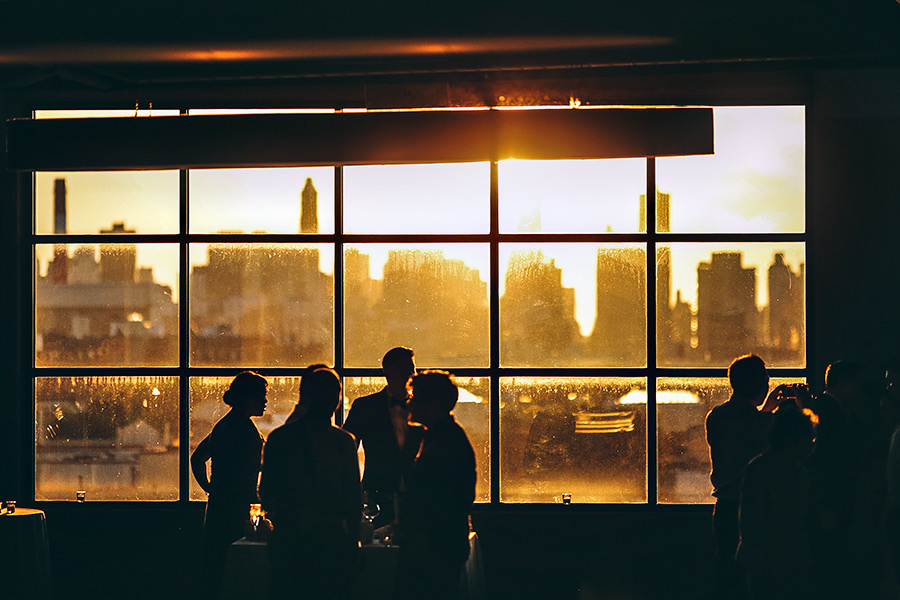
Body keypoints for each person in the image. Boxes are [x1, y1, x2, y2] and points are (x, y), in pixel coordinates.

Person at [259, 367, 361, 600]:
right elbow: (353, 497)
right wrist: (352, 541)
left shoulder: (280, 438)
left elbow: (267, 491)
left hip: (290, 539)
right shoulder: (344, 441)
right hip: (332, 540)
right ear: (337, 401)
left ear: (303, 397)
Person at [705, 354, 786, 599]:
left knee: (727, 568)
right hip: (755, 506)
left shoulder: (715, 415)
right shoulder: (765, 422)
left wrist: (766, 410)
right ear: (760, 385)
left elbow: (745, 434)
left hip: (724, 507)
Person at [395, 370, 476, 600]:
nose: (409, 403)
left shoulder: (444, 441)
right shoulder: (445, 437)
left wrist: (419, 534)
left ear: (434, 404)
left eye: (415, 397)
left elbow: (444, 498)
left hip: (433, 546)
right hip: (438, 543)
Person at [190, 371, 268, 600]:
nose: (265, 401)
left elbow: (197, 458)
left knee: (217, 568)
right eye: (261, 395)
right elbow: (255, 468)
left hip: (220, 506)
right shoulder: (244, 429)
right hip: (238, 508)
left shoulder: (224, 425)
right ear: (248, 397)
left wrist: (210, 488)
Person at [738, 403, 818, 600]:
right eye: (808, 440)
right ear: (790, 441)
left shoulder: (761, 469)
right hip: (771, 560)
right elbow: (752, 525)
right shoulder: (793, 473)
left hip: (777, 559)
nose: (812, 446)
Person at [343, 346, 425, 528]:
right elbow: (346, 449)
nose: (409, 376)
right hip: (376, 496)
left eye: (411, 371)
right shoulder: (365, 407)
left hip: (417, 495)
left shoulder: (423, 407)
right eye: (403, 370)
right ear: (386, 372)